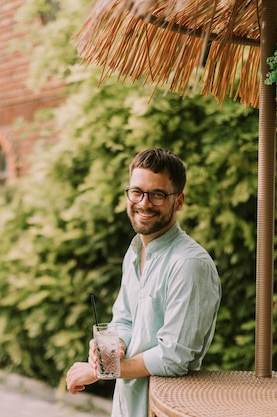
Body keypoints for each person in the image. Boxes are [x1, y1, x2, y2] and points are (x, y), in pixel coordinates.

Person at [66, 148, 221, 417]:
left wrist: (101, 369)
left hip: (162, 409)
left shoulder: (189, 265)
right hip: (125, 407)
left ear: (179, 200)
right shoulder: (136, 249)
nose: (144, 203)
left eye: (158, 195)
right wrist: (110, 350)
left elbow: (174, 357)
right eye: (137, 191)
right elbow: (124, 320)